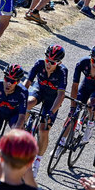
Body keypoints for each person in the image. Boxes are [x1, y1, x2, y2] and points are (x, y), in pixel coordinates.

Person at [24, 45, 68, 177]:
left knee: (43, 129)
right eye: (47, 60)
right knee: (27, 103)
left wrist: (51, 112)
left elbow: (61, 96)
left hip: (53, 98)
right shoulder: (39, 64)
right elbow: (27, 83)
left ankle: (37, 162)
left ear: (59, 63)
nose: (48, 64)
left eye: (52, 62)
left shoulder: (62, 71)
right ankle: (22, 128)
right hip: (40, 90)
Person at [62, 45, 95, 146]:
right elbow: (75, 85)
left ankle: (90, 126)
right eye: (93, 61)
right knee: (72, 113)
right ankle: (62, 140)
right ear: (90, 57)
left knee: (91, 104)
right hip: (86, 86)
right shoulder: (82, 62)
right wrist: (72, 106)